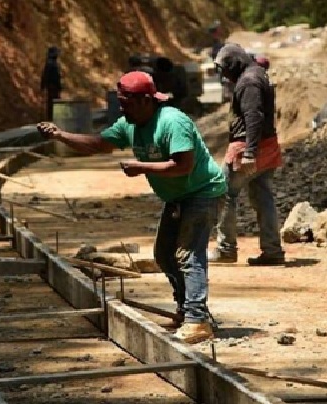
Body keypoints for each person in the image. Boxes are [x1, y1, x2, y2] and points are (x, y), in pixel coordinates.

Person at [37, 71, 226, 343]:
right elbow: (98, 144)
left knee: (188, 254)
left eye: (126, 104)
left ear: (146, 100)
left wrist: (141, 167)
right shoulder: (130, 124)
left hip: (202, 191)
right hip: (178, 197)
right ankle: (187, 310)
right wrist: (60, 135)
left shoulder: (172, 122)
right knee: (164, 255)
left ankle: (197, 320)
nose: (122, 109)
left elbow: (183, 166)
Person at [208, 44, 285, 266]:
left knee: (223, 192)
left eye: (225, 69)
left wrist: (250, 152)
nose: (225, 76)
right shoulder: (258, 74)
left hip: (247, 147)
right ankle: (272, 250)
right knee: (263, 198)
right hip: (268, 145)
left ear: (235, 63)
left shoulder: (249, 82)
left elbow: (254, 116)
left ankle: (226, 249)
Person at [40, 46, 62, 120]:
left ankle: (52, 118)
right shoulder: (51, 64)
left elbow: (45, 76)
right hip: (52, 87)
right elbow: (47, 76)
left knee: (53, 104)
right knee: (53, 104)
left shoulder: (51, 63)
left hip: (53, 87)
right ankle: (52, 119)